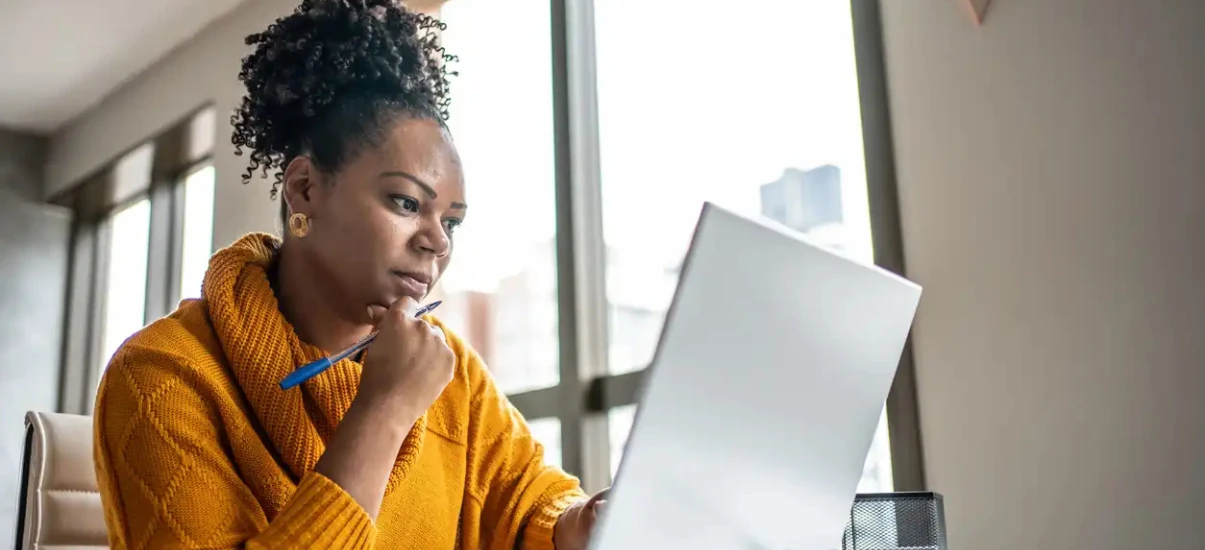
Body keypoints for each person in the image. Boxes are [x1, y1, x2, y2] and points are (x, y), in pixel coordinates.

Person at [92, 1, 608, 548]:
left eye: (451, 222)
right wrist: (384, 411)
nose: (437, 241)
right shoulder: (163, 376)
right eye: (407, 203)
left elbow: (529, 506)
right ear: (305, 190)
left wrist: (585, 521)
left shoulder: (452, 375)